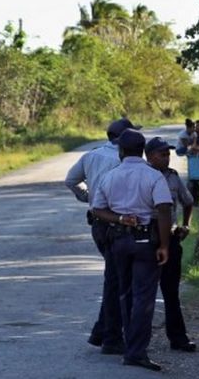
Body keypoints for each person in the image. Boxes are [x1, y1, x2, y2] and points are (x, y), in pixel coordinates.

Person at [91, 129, 174, 372]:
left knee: (125, 294)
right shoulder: (154, 176)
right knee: (144, 298)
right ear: (143, 151)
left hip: (118, 242)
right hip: (145, 241)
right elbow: (164, 209)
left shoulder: (110, 176)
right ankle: (136, 351)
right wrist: (164, 245)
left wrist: (119, 218)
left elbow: (97, 209)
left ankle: (129, 344)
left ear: (121, 151)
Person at [64, 117, 140, 355]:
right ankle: (111, 337)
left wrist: (88, 197)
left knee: (115, 276)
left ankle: (102, 331)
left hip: (98, 223)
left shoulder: (92, 155)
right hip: (117, 223)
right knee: (117, 281)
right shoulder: (124, 160)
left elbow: (71, 180)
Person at [144, 136, 197, 352]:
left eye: (168, 154)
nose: (167, 158)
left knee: (171, 291)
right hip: (147, 236)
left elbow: (188, 201)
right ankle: (138, 340)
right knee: (143, 291)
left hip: (171, 236)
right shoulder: (142, 176)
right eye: (162, 154)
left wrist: (186, 225)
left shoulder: (173, 177)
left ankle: (178, 338)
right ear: (150, 156)